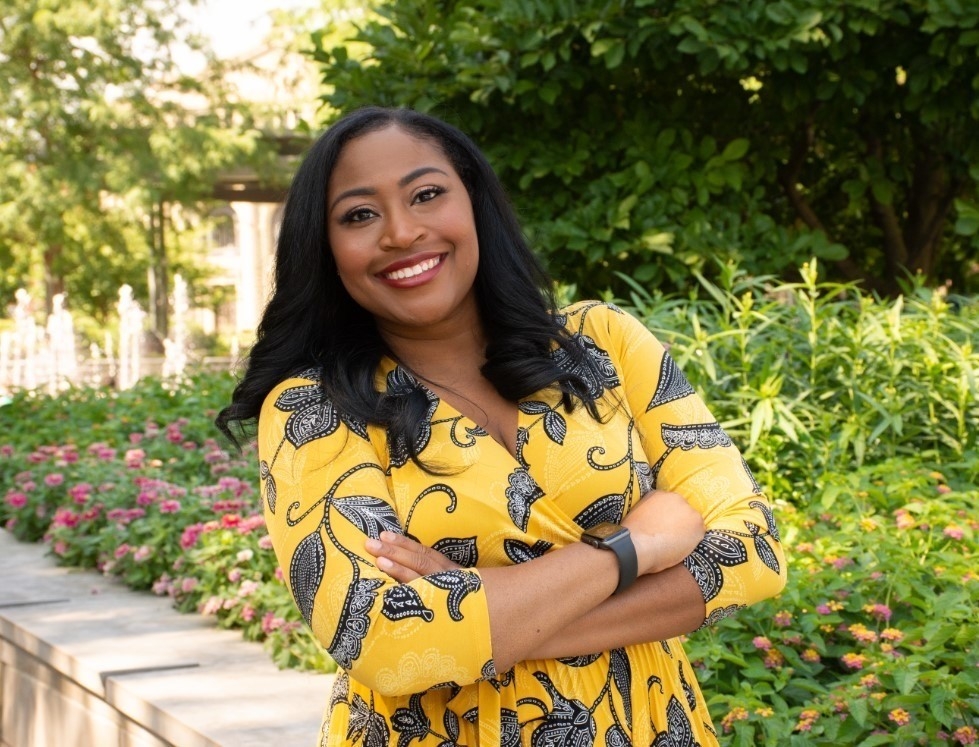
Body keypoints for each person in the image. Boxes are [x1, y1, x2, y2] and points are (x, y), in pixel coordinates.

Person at [216, 106, 787, 746]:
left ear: (474, 200)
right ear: (324, 249)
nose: (402, 232)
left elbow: (753, 552)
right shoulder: (314, 410)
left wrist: (474, 607)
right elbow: (382, 640)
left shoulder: (602, 345)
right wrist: (634, 548)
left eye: (427, 194)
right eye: (359, 215)